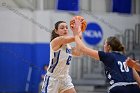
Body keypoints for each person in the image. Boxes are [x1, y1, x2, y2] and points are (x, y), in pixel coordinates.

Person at [72, 19, 140, 93]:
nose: (103, 46)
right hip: (134, 88)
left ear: (108, 47)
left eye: (105, 44)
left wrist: (76, 33)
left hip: (118, 89)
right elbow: (139, 80)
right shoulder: (127, 59)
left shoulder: (107, 56)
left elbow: (83, 49)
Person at [41, 21, 82, 93]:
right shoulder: (56, 41)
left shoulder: (68, 46)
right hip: (53, 79)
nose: (65, 29)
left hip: (65, 78)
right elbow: (76, 37)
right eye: (62, 28)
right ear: (56, 31)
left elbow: (78, 52)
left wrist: (78, 38)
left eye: (66, 28)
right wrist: (78, 29)